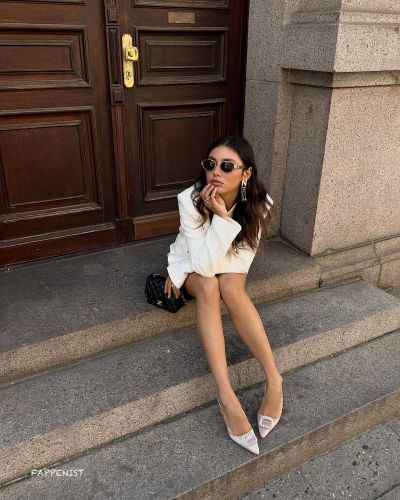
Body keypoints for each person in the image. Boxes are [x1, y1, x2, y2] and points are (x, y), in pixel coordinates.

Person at [164, 135, 283, 455]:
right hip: (191, 261)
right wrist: (220, 217)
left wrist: (223, 219)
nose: (216, 171)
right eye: (211, 164)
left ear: (246, 173)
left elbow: (241, 261)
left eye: (227, 166)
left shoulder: (260, 203)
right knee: (210, 286)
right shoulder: (189, 199)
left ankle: (274, 380)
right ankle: (226, 395)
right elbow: (203, 265)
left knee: (229, 285)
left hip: (229, 262)